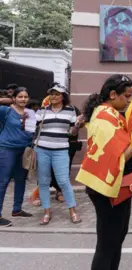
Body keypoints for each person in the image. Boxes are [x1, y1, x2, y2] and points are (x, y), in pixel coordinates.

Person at [78, 74, 132, 270]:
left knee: (116, 238)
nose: (129, 100)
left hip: (116, 183)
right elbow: (117, 158)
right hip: (106, 185)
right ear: (113, 94)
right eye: (127, 96)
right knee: (107, 243)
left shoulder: (110, 114)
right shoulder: (105, 117)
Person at [35, 85, 83, 225]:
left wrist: (78, 125)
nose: (54, 96)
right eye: (52, 94)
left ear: (63, 96)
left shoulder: (70, 111)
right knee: (43, 182)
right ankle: (46, 211)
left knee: (63, 181)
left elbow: (72, 133)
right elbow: (32, 128)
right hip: (42, 149)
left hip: (61, 150)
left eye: (57, 94)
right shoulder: (42, 110)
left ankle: (73, 210)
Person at [0, 87, 35, 227]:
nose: (23, 99)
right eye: (20, 96)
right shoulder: (6, 110)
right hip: (7, 148)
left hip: (24, 150)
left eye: (26, 97)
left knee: (21, 180)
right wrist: (7, 100)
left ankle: (17, 209)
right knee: (3, 181)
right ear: (14, 98)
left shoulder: (30, 113)